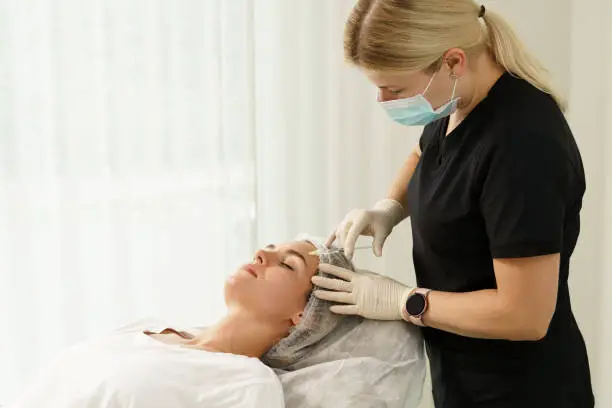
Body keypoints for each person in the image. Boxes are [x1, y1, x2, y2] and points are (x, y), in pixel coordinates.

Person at [311, 1, 595, 407]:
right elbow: (424, 153)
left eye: (395, 89)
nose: (382, 100)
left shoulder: (522, 144)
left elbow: (524, 316)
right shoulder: (458, 102)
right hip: (461, 381)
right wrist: (389, 206)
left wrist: (406, 301)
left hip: (523, 391)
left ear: (453, 61)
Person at [7, 239, 344, 408]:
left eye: (287, 265)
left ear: (304, 316)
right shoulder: (148, 327)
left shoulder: (249, 386)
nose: (261, 255)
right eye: (270, 248)